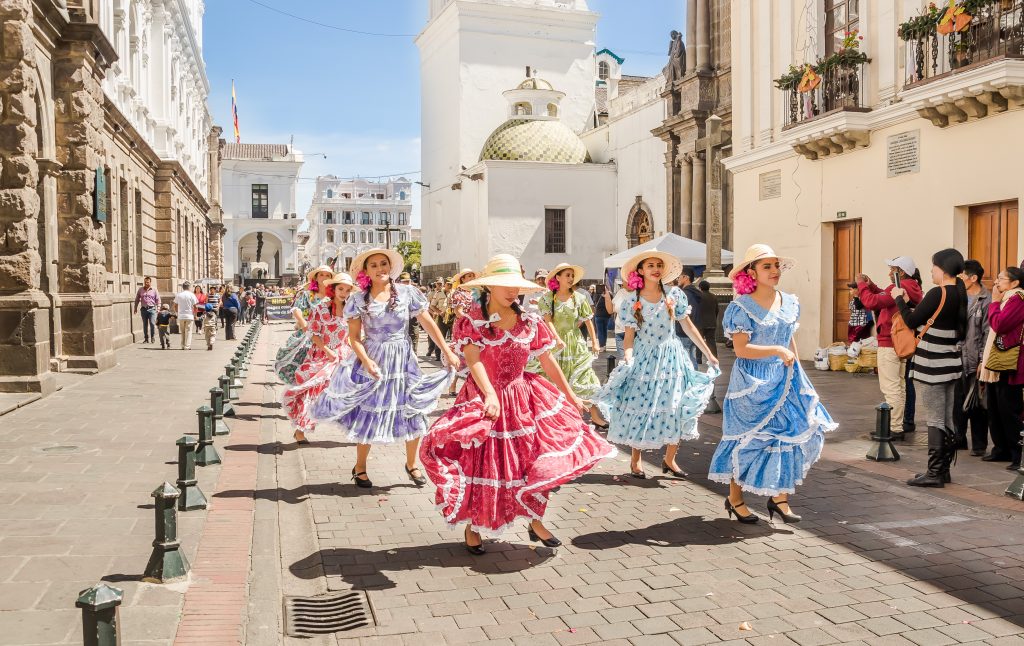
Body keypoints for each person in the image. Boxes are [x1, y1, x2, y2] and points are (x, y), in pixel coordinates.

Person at [419, 254, 615, 553]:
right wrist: (489, 394)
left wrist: (571, 395)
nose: (513, 291)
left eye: (516, 286)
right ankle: (474, 524)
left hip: (522, 398)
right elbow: (473, 361)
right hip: (484, 398)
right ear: (489, 287)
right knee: (485, 463)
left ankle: (535, 520)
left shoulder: (530, 320)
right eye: (504, 285)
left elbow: (547, 362)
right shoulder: (472, 319)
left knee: (531, 461)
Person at [313, 248, 458, 489]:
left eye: (384, 264)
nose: (380, 268)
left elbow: (428, 323)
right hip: (375, 361)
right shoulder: (358, 299)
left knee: (413, 409)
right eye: (374, 265)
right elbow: (354, 338)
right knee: (368, 413)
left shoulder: (407, 292)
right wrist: (367, 361)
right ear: (366, 272)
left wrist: (446, 350)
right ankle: (360, 467)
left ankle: (412, 464)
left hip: (403, 361)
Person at [592, 251, 719, 479]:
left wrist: (708, 353)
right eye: (650, 265)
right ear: (641, 271)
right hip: (645, 357)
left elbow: (688, 326)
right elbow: (629, 335)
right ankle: (636, 460)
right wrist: (628, 356)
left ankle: (670, 459)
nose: (655, 268)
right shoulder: (633, 299)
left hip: (672, 357)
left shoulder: (674, 294)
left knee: (677, 405)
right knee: (643, 406)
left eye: (659, 265)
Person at [894, 249, 968, 487]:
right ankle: (943, 469)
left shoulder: (939, 292)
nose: (931, 271)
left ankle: (934, 472)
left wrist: (898, 299)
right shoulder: (959, 292)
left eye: (933, 266)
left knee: (935, 418)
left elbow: (912, 321)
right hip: (950, 363)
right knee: (946, 417)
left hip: (932, 364)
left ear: (943, 269)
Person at [283, 273, 356, 444]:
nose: (344, 293)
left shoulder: (351, 310)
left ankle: (353, 429)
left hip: (344, 356)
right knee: (314, 393)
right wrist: (327, 350)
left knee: (348, 393)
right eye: (340, 288)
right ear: (333, 288)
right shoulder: (321, 308)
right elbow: (313, 334)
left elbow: (353, 335)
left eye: (347, 290)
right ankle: (300, 430)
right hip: (321, 356)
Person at [857, 257, 924, 440]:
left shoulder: (902, 286)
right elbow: (885, 298)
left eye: (892, 269)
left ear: (900, 272)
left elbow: (872, 302)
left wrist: (861, 285)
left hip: (890, 341)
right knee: (900, 385)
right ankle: (898, 423)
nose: (889, 272)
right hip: (902, 342)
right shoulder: (911, 286)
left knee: (891, 387)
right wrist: (871, 285)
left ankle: (893, 427)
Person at [529, 263, 602, 399]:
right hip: (555, 342)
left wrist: (594, 342)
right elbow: (548, 320)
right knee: (553, 376)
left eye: (572, 276)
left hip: (575, 342)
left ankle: (583, 408)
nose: (570, 278)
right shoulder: (548, 298)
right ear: (558, 277)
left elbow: (588, 321)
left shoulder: (580, 298)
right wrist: (557, 338)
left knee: (582, 375)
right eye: (567, 275)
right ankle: (558, 408)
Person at [980, 266, 1024, 469]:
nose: (996, 283)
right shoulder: (1007, 298)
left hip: (1010, 363)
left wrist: (995, 302)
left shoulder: (1017, 299)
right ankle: (1001, 449)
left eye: (1001, 279)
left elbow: (1000, 324)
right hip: (996, 362)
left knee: (1009, 410)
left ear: (1015, 283)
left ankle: (1018, 455)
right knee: (995, 409)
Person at [275, 266, 334, 385]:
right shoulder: (308, 295)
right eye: (321, 275)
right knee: (306, 364)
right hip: (310, 335)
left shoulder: (334, 296)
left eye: (328, 275)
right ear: (316, 278)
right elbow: (297, 310)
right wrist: (305, 326)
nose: (324, 278)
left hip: (329, 335)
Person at [956, 260, 991, 456]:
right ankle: (959, 439)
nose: (960, 279)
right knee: (957, 401)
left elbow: (987, 333)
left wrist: (981, 361)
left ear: (973, 278)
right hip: (957, 356)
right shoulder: (959, 296)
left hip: (975, 358)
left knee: (977, 404)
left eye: (962, 276)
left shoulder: (986, 300)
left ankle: (979, 445)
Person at [445, 269, 477, 397]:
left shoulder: (476, 292)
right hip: (463, 326)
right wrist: (471, 320)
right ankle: (452, 385)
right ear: (463, 279)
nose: (471, 278)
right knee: (460, 355)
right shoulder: (459, 293)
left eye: (472, 276)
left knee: (474, 356)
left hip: (475, 326)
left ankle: (472, 388)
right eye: (469, 276)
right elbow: (458, 312)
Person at [676, 268, 703, 364]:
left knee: (685, 360)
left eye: (679, 277)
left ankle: (690, 378)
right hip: (694, 330)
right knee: (691, 357)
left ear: (686, 278)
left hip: (684, 331)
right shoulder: (696, 293)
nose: (678, 279)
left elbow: (684, 313)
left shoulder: (684, 294)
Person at [696, 280, 719, 362]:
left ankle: (698, 359)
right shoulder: (714, 296)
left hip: (700, 323)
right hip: (712, 322)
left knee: (699, 341)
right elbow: (717, 310)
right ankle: (714, 358)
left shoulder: (698, 296)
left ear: (700, 287)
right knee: (711, 341)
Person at [134, 276, 161, 343]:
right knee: (145, 324)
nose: (146, 284)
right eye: (145, 282)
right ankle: (146, 338)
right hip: (144, 309)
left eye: (148, 282)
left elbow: (158, 299)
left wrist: (158, 308)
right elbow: (137, 299)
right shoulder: (140, 289)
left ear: (150, 282)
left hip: (152, 309)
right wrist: (135, 307)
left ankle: (152, 337)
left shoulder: (154, 290)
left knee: (152, 323)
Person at [173, 281, 198, 350]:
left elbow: (174, 305)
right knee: (189, 332)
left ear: (183, 287)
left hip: (181, 316)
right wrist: (195, 315)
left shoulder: (178, 295)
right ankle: (187, 346)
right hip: (189, 316)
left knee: (183, 331)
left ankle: (183, 345)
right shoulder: (192, 295)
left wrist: (177, 312)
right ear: (189, 287)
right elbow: (196, 307)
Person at [426, 279, 447, 360]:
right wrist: (433, 313)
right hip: (432, 314)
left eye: (441, 283)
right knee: (432, 332)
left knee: (439, 333)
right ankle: (430, 349)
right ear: (435, 284)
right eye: (438, 283)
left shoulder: (445, 292)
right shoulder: (431, 293)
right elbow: (428, 305)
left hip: (442, 316)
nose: (439, 285)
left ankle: (438, 352)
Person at [592, 284, 611, 352]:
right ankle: (604, 345)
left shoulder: (597, 295)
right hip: (606, 315)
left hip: (598, 315)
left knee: (600, 331)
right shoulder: (609, 295)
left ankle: (602, 345)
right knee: (604, 330)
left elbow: (594, 302)